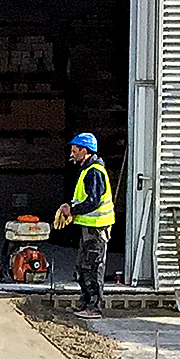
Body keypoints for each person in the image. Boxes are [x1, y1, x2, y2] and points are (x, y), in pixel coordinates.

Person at [55, 132, 116, 316]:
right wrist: (71, 206)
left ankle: (94, 307)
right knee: (82, 267)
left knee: (93, 268)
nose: (71, 154)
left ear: (85, 151)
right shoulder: (87, 170)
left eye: (75, 151)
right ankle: (85, 301)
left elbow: (93, 202)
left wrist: (72, 211)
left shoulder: (94, 172)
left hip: (97, 229)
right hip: (89, 228)